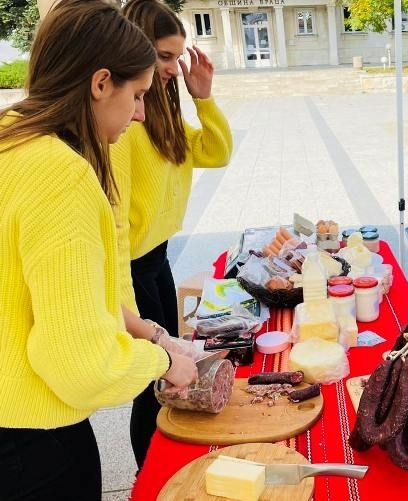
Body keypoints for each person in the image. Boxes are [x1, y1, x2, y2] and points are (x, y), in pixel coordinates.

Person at [0, 1, 197, 500]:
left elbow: (51, 291)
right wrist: (161, 364)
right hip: (33, 441)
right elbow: (78, 363)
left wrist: (156, 335)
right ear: (101, 82)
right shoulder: (60, 173)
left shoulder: (12, 137)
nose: (140, 113)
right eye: (137, 95)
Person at [113, 0, 234, 470]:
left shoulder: (158, 112)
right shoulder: (125, 122)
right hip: (132, 269)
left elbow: (216, 152)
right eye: (163, 56)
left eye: (175, 56)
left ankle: (166, 461)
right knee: (153, 379)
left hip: (157, 260)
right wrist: (121, 301)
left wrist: (203, 96)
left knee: (171, 373)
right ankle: (153, 473)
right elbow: (116, 216)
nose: (171, 68)